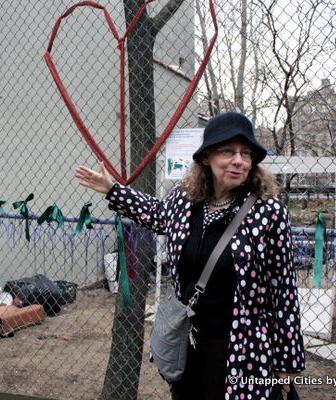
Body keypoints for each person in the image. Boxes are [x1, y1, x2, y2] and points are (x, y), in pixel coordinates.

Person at [75, 112, 305, 400]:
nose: (239, 160)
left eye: (246, 154)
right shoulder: (185, 200)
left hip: (243, 346)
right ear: (206, 157)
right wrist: (113, 190)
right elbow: (157, 214)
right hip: (190, 341)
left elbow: (283, 288)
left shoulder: (268, 212)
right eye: (228, 151)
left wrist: (288, 360)